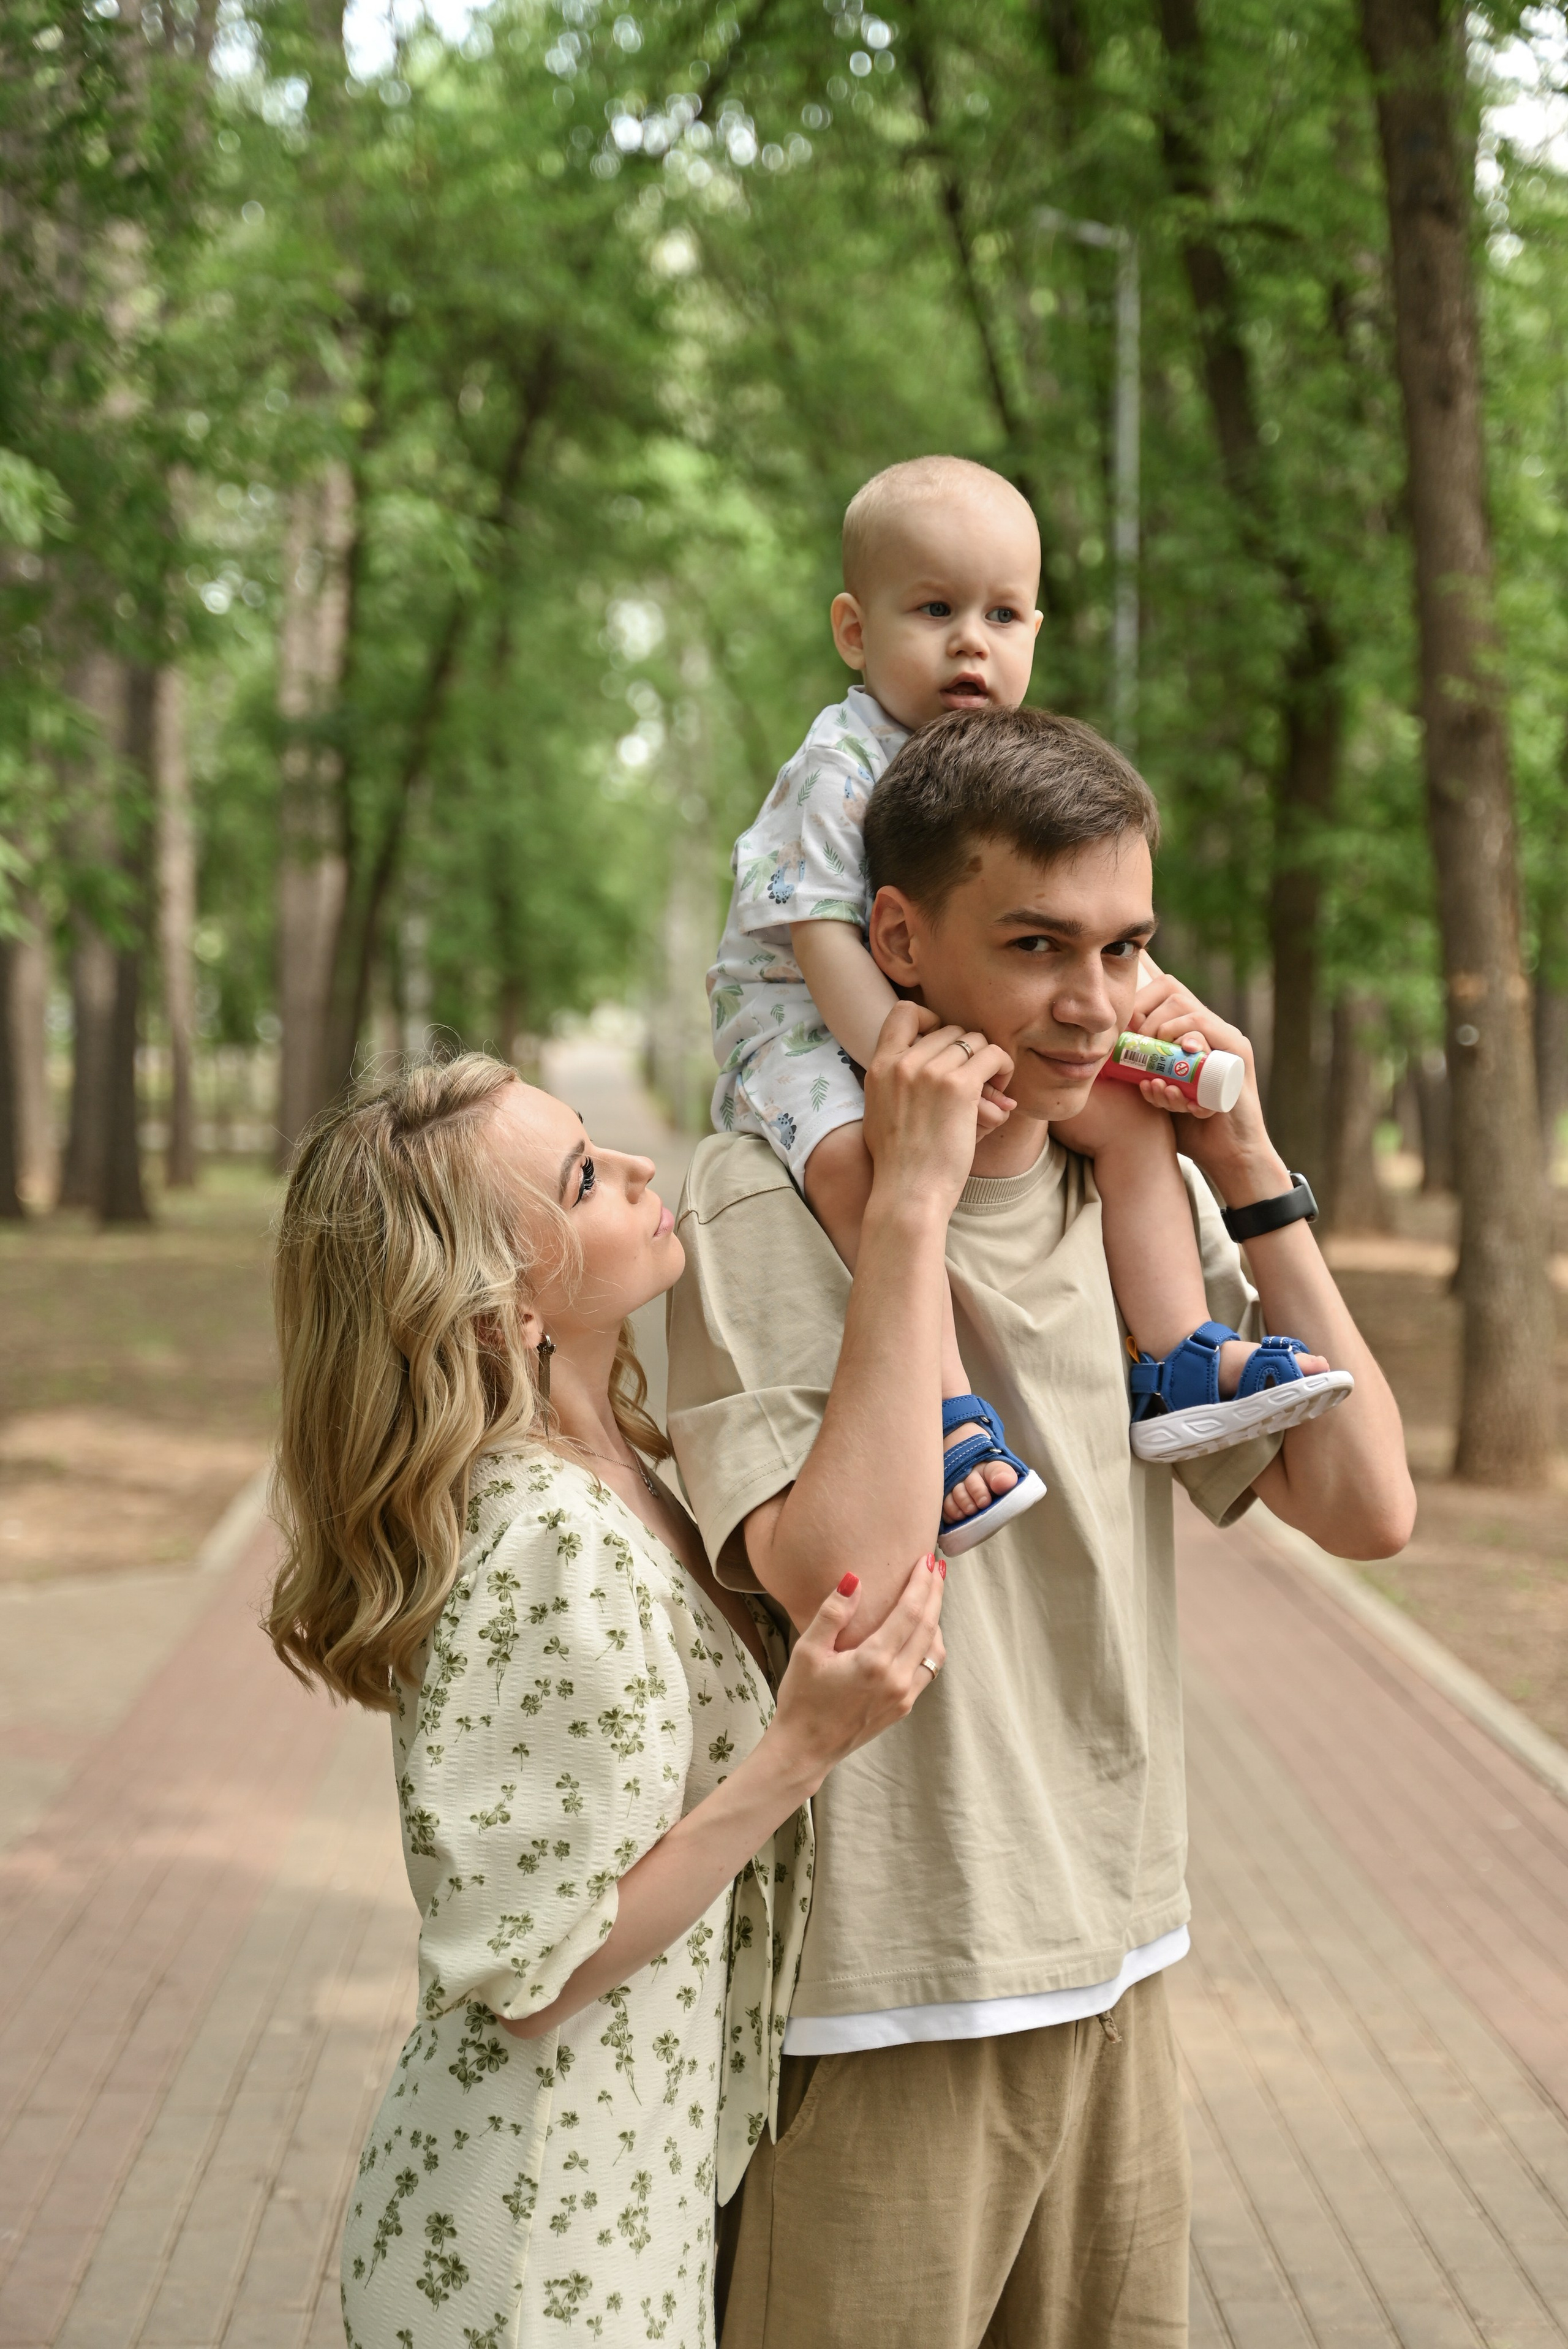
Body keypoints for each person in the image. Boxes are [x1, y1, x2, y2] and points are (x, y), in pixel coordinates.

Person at [669, 704, 1417, 2348]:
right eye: (1036, 946)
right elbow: (848, 1582)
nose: (1095, 1002)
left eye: (1128, 944)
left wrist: (1255, 1163)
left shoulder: (1121, 1189)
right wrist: (916, 1207)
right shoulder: (757, 1199)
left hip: (1123, 1958)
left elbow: (1368, 1506)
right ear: (899, 943)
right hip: (880, 2003)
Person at [264, 1054, 949, 2348]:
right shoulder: (541, 1531)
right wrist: (798, 1746)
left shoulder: (620, 1463)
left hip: (614, 2189)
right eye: (584, 1177)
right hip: (534, 2242)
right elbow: (535, 1967)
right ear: (496, 1309)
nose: (641, 1170)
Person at [707, 454, 1351, 1554]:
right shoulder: (839, 765)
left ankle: (1177, 1351)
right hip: (810, 1025)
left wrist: (1144, 1021)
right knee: (863, 1164)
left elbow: (1078, 929)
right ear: (856, 632)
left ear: (1036, 633)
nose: (973, 641)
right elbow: (819, 931)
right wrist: (901, 1063)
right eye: (936, 610)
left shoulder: (1001, 772)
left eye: (1003, 615)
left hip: (947, 1027)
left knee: (1132, 1122)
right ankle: (950, 1412)